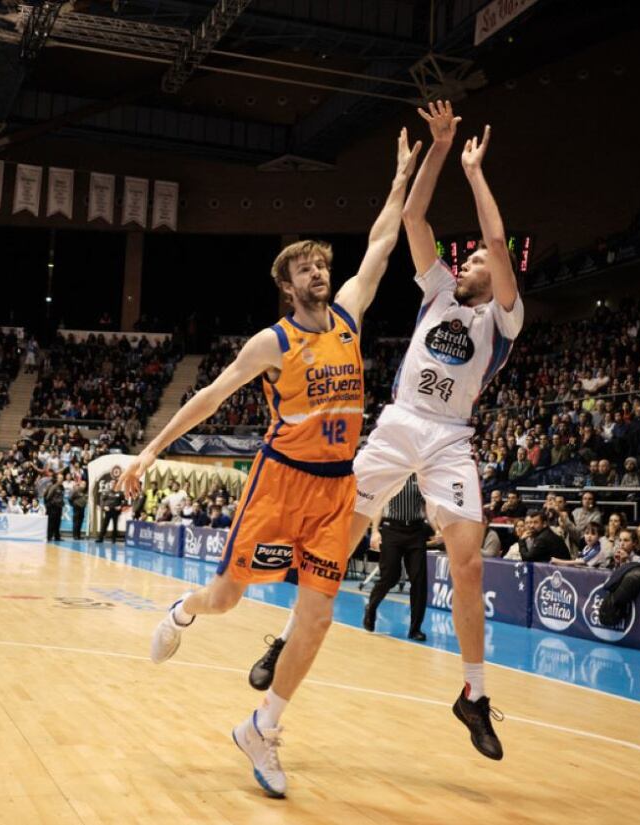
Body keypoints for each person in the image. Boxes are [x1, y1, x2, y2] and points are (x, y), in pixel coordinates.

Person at [118, 126, 421, 797]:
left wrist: (400, 179)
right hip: (278, 483)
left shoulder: (348, 317)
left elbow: (380, 245)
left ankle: (263, 725)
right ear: (286, 285)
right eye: (305, 266)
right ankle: (183, 610)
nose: (319, 271)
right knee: (226, 598)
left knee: (316, 618)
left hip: (336, 490)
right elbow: (206, 398)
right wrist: (147, 450)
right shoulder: (271, 342)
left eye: (322, 263)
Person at [252, 102, 520, 761]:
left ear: (497, 271)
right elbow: (412, 218)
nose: (467, 265)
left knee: (466, 563)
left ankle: (474, 695)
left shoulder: (504, 318)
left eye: (478, 264)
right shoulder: (436, 292)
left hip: (451, 436)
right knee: (336, 542)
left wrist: (475, 173)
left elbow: (495, 240)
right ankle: (287, 640)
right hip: (400, 423)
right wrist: (439, 149)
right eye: (465, 263)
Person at [363, 475, 431, 642]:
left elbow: (428, 506)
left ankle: (415, 629)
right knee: (390, 576)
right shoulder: (392, 474)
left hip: (416, 530)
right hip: (392, 528)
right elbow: (378, 504)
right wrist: (375, 532)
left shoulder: (421, 477)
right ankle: (371, 608)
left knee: (419, 580)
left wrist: (438, 529)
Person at [45, 472, 65, 541]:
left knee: (58, 522)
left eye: (62, 478)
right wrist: (52, 503)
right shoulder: (54, 486)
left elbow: (61, 497)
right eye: (60, 478)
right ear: (57, 479)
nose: (61, 479)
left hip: (59, 507)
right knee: (51, 522)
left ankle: (57, 536)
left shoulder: (62, 487)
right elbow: (48, 496)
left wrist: (62, 502)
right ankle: (49, 536)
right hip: (53, 507)